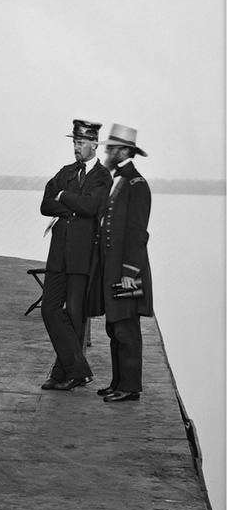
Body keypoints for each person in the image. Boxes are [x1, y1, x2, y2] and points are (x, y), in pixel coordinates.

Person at [39, 119, 112, 390]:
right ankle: (78, 369)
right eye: (74, 142)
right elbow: (45, 205)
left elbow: (91, 205)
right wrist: (72, 207)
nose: (76, 147)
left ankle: (62, 373)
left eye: (80, 142)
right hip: (58, 254)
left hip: (82, 256)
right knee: (49, 309)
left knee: (75, 316)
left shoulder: (102, 177)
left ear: (94, 143)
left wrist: (63, 197)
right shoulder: (66, 172)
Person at [87, 124, 153, 402]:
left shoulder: (137, 184)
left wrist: (129, 272)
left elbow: (138, 233)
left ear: (124, 151)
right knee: (114, 327)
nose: (106, 151)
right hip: (113, 269)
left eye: (111, 148)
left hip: (128, 272)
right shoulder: (119, 180)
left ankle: (130, 387)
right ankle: (118, 383)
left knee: (127, 329)